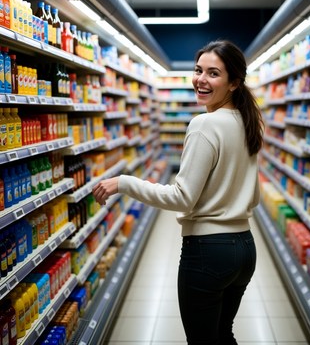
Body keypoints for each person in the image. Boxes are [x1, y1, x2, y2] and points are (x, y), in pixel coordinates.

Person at [92, 40, 264, 344]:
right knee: (223, 334)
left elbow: (182, 197)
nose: (201, 79)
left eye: (213, 74)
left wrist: (124, 183)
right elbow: (253, 193)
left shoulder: (205, 125)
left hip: (208, 251)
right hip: (245, 248)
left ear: (234, 82)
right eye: (198, 70)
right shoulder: (248, 121)